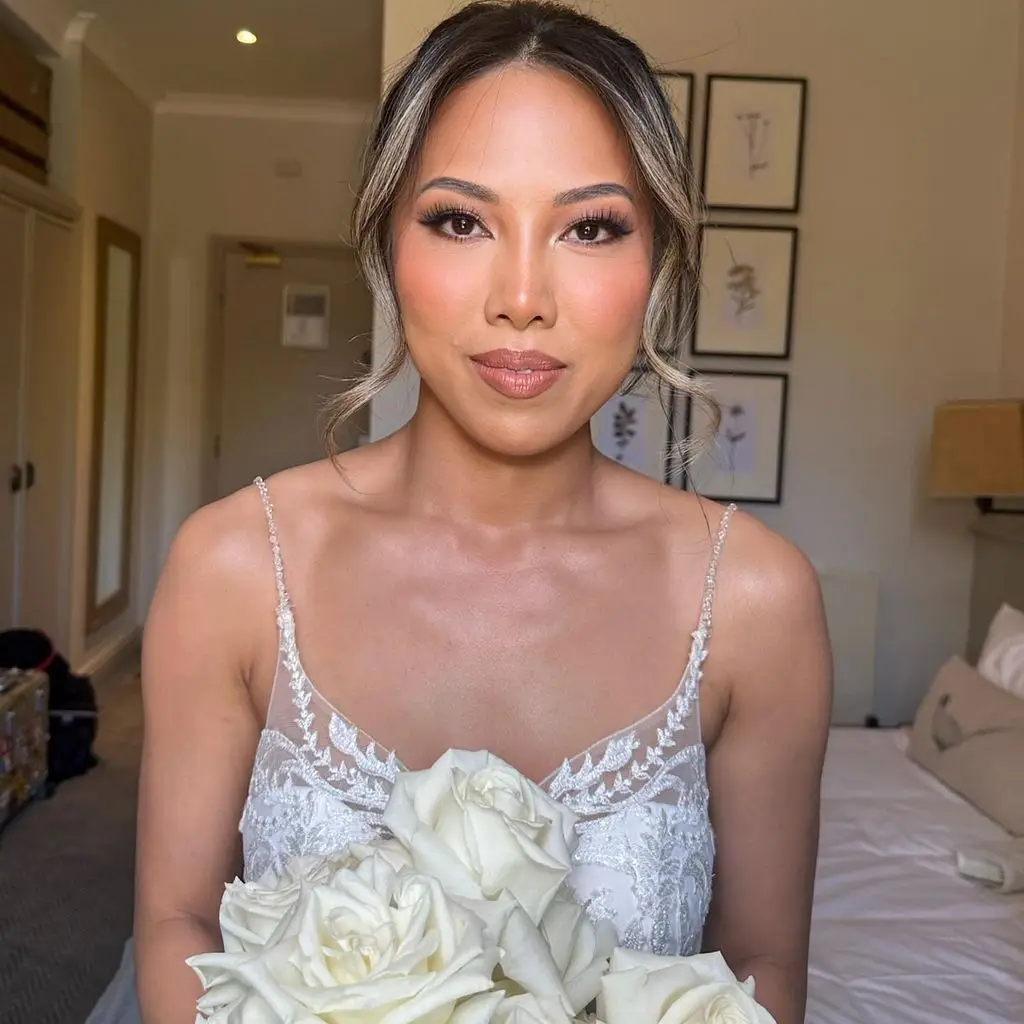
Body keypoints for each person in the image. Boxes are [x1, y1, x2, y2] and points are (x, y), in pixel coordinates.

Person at [88, 3, 832, 1022]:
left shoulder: (754, 599)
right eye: (459, 220)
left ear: (656, 262)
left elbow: (762, 967)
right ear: (386, 242)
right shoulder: (235, 565)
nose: (521, 295)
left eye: (590, 227)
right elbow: (177, 921)